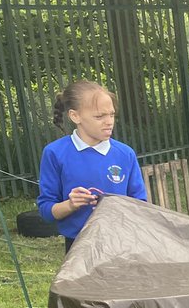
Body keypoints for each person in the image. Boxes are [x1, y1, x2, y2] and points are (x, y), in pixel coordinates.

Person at [37, 81, 147, 252]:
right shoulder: (55, 153)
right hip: (78, 246)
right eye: (99, 116)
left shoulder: (125, 154)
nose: (109, 122)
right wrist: (71, 205)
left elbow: (140, 204)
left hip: (122, 244)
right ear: (75, 116)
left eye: (111, 115)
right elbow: (46, 210)